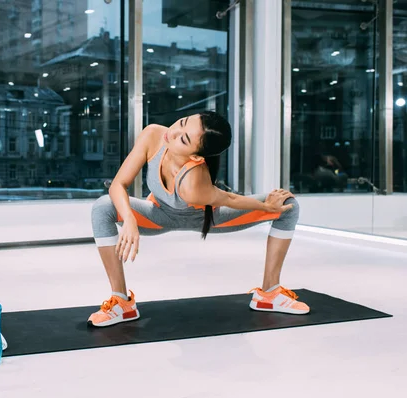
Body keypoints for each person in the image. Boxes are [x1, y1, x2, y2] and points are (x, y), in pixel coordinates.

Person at [88, 111, 309, 328]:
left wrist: (266, 206)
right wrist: (129, 218)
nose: (174, 132)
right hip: (158, 215)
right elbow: (118, 184)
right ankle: (122, 303)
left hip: (209, 217)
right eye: (182, 122)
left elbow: (229, 198)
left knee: (288, 206)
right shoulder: (153, 135)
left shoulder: (194, 183)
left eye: (184, 139)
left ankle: (269, 293)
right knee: (103, 206)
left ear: (196, 156)